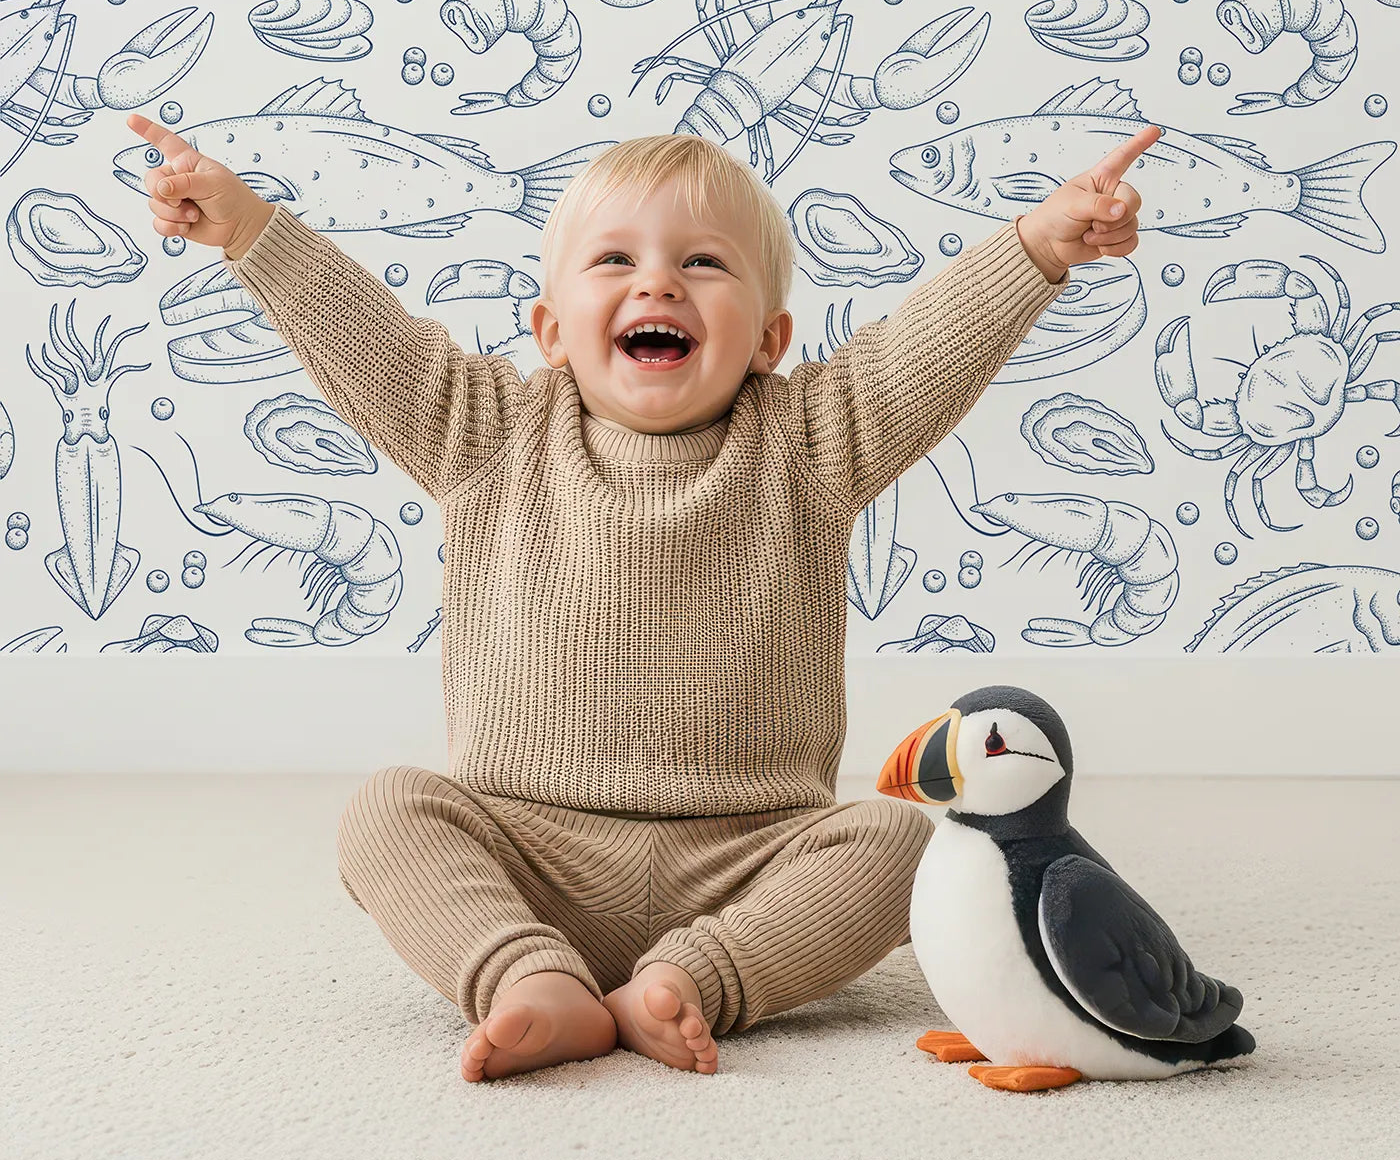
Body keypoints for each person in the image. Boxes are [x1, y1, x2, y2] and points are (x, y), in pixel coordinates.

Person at [124, 112, 1155, 1082]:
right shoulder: (482, 431)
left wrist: (1040, 243)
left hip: (748, 856)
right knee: (387, 810)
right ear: (552, 328)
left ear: (766, 337)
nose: (656, 282)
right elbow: (368, 339)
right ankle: (525, 972)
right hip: (528, 846)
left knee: (901, 843)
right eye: (614, 260)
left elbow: (925, 345)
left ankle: (687, 980)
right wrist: (248, 228)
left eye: (701, 262)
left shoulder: (810, 442)